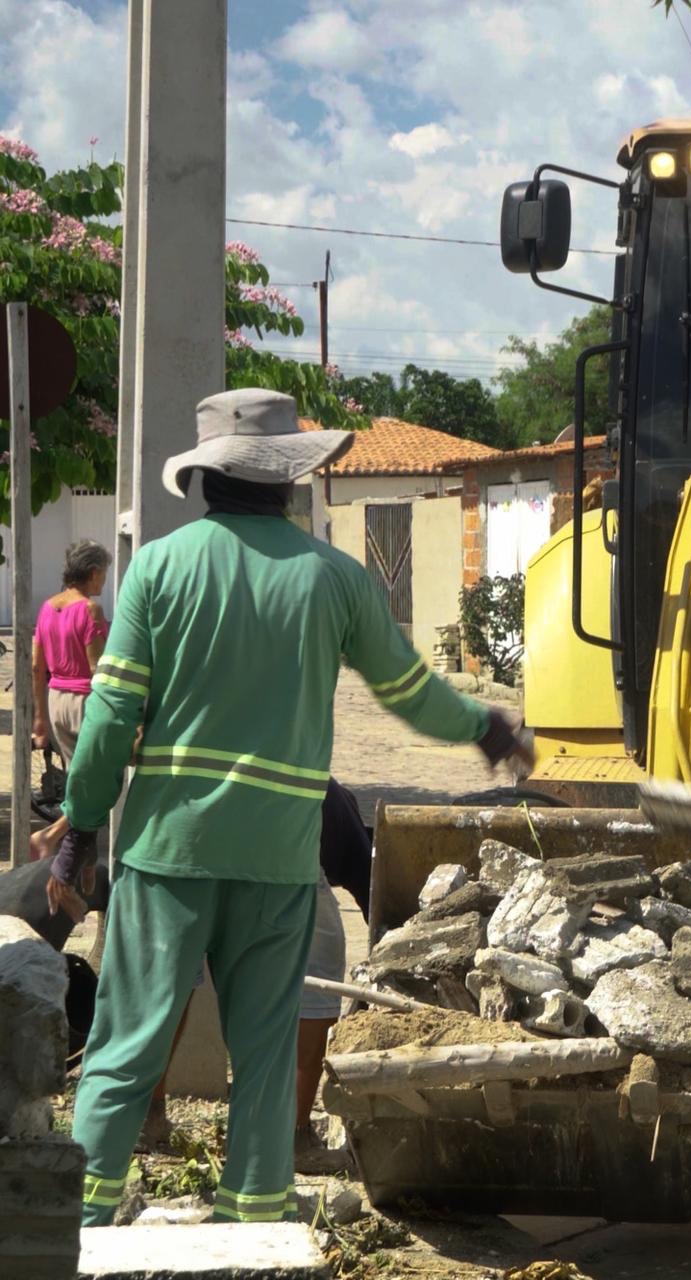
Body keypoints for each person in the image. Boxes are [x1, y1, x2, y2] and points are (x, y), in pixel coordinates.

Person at [52, 388, 530, 1228]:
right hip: (279, 858)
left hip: (169, 852)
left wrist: (79, 830)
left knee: (125, 1050)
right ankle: (252, 1219)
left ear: (203, 480)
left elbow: (110, 717)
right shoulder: (336, 578)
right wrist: (485, 726)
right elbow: (411, 693)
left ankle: (72, 1226)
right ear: (289, 480)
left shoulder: (159, 569)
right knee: (266, 1058)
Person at [140, 778, 372, 1169]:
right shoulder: (341, 818)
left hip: (190, 836)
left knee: (176, 977)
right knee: (319, 973)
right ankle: (292, 1136)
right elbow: (377, 904)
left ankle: (145, 1118)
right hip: (281, 844)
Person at [32, 539, 112, 760]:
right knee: (95, 776)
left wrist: (40, 716)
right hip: (85, 701)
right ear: (94, 572)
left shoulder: (47, 607)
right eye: (104, 573)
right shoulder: (91, 610)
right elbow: (97, 668)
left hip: (56, 701)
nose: (105, 580)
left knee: (73, 773)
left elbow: (37, 667)